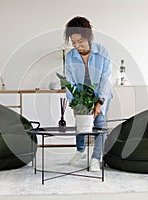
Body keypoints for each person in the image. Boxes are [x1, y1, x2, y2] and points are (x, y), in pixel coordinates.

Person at [64, 16, 113, 171]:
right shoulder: (71, 57)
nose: (77, 46)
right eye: (73, 43)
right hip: (81, 95)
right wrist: (74, 103)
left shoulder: (102, 52)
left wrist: (100, 102)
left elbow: (106, 79)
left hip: (100, 94)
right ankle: (80, 151)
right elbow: (70, 81)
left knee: (99, 124)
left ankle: (95, 158)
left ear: (88, 37)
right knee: (81, 123)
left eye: (81, 42)